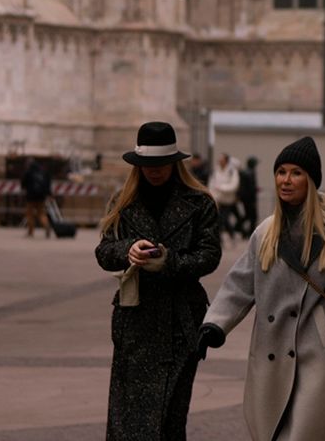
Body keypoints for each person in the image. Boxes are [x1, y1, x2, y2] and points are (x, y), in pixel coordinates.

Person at [198, 137, 325, 441]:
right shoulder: (265, 232)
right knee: (271, 431)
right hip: (270, 348)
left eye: (296, 172)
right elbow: (239, 285)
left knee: (305, 433)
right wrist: (214, 325)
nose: (286, 180)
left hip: (319, 351)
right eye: (281, 171)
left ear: (311, 180)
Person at [94, 122, 223, 441]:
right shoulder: (122, 202)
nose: (154, 172)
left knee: (170, 421)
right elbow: (104, 250)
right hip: (135, 321)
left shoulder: (199, 202)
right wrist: (129, 250)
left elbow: (209, 255)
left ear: (174, 163)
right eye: (147, 165)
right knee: (128, 421)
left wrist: (169, 261)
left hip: (180, 323)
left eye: (161, 165)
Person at [210, 153, 242, 238]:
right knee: (221, 219)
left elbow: (234, 185)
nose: (220, 160)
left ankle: (227, 235)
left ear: (226, 161)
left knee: (223, 219)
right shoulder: (217, 171)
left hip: (228, 200)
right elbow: (212, 183)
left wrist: (222, 188)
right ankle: (228, 235)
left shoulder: (232, 171)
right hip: (219, 199)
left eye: (222, 159)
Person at [22, 158, 53, 238]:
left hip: (30, 197)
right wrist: (49, 194)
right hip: (41, 196)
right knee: (41, 213)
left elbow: (23, 183)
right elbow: (48, 184)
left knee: (30, 214)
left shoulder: (28, 172)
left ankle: (30, 232)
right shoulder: (43, 172)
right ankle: (46, 225)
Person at [236, 156, 260, 237]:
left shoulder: (244, 172)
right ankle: (249, 232)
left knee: (247, 215)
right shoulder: (250, 173)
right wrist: (255, 190)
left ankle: (242, 230)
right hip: (250, 198)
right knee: (252, 216)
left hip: (244, 198)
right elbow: (250, 187)